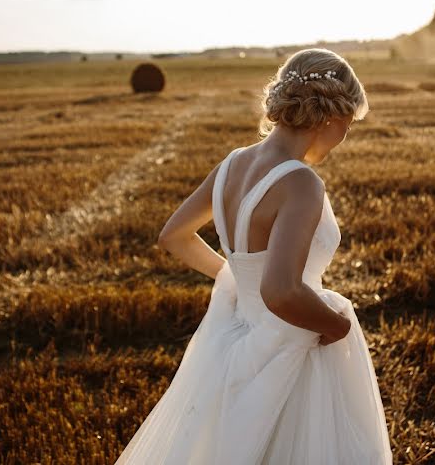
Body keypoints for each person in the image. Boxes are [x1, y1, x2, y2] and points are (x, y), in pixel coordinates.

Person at [115, 48, 393, 464]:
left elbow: (174, 235)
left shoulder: (233, 163)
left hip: (234, 337)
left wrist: (234, 277)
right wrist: (337, 326)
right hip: (291, 345)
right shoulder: (301, 183)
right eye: (350, 123)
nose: (345, 135)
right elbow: (281, 291)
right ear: (332, 116)